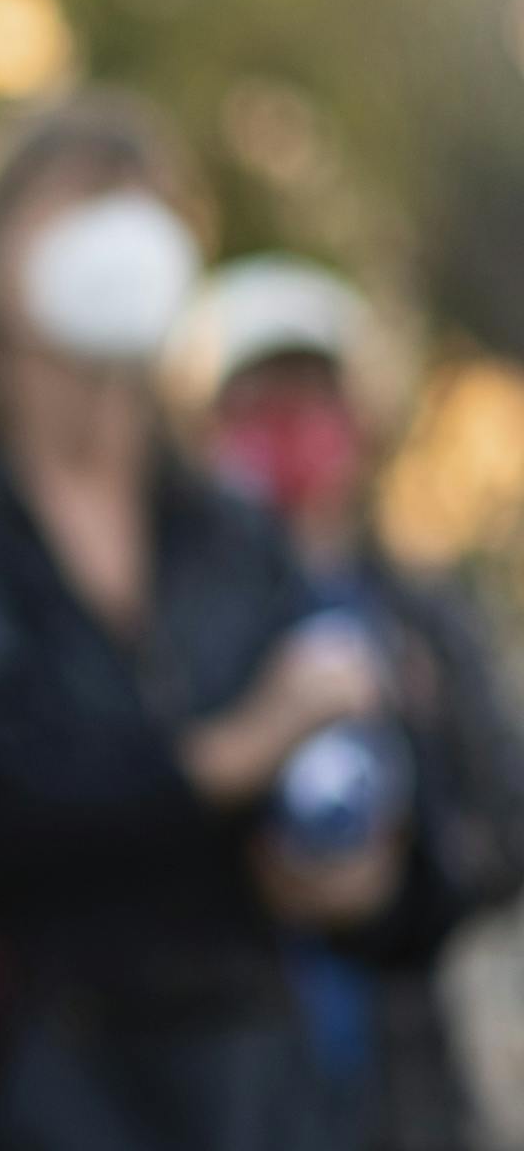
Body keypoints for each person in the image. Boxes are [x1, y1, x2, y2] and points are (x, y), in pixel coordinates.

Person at [0, 96, 407, 1151]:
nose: (128, 232)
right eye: (86, 198)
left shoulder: (235, 533)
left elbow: (400, 813)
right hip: (2, 1102)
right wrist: (230, 755)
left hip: (245, 1100)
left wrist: (369, 861)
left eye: (150, 204)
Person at [193, 255, 524, 1151]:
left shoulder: (424, 618)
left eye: (310, 398)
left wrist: (398, 872)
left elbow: (502, 825)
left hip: (397, 1085)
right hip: (228, 1085)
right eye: (257, 403)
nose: (286, 430)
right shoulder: (179, 621)